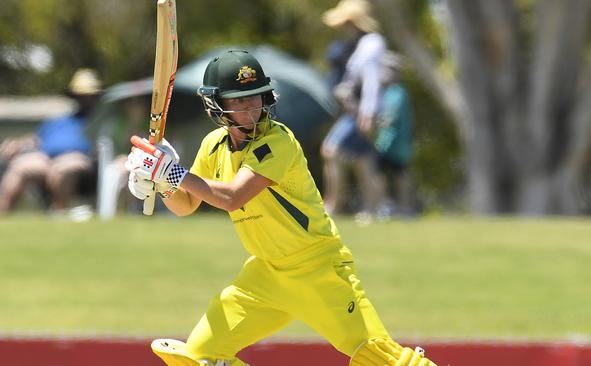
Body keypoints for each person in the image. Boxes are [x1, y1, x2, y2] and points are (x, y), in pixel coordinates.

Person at [125, 50, 437, 366]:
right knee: (199, 357)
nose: (251, 110)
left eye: (256, 98)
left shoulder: (278, 141)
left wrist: (172, 172)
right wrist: (161, 184)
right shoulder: (213, 146)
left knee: (381, 359)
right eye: (239, 101)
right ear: (216, 105)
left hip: (317, 268)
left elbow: (234, 197)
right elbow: (186, 205)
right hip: (265, 275)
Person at [0, 68, 101, 214]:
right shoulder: (59, 120)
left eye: (90, 96)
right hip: (47, 158)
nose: (85, 99)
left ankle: (58, 215)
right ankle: (4, 213)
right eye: (81, 95)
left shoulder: (99, 122)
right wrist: (18, 145)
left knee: (63, 169)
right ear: (74, 96)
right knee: (19, 167)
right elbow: (36, 139)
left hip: (79, 161)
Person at [320, 0, 387, 219]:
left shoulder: (370, 44)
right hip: (356, 110)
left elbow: (371, 82)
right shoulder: (357, 46)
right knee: (363, 160)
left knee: (330, 149)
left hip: (359, 113)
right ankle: (372, 208)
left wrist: (367, 114)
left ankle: (333, 204)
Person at [375, 52, 417, 217]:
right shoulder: (387, 92)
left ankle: (404, 208)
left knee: (400, 177)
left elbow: (390, 118)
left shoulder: (399, 92)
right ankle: (387, 206)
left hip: (396, 145)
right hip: (385, 143)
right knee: (381, 175)